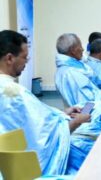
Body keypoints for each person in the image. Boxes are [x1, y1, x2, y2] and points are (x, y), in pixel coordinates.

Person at [0, 30, 91, 175]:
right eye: (25, 58)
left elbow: (34, 120)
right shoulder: (15, 93)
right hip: (27, 168)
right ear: (10, 58)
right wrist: (77, 121)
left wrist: (60, 114)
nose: (26, 62)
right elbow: (44, 137)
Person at [55, 33, 101, 106]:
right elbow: (87, 105)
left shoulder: (69, 69)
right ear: (73, 50)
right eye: (80, 46)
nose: (83, 49)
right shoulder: (72, 74)